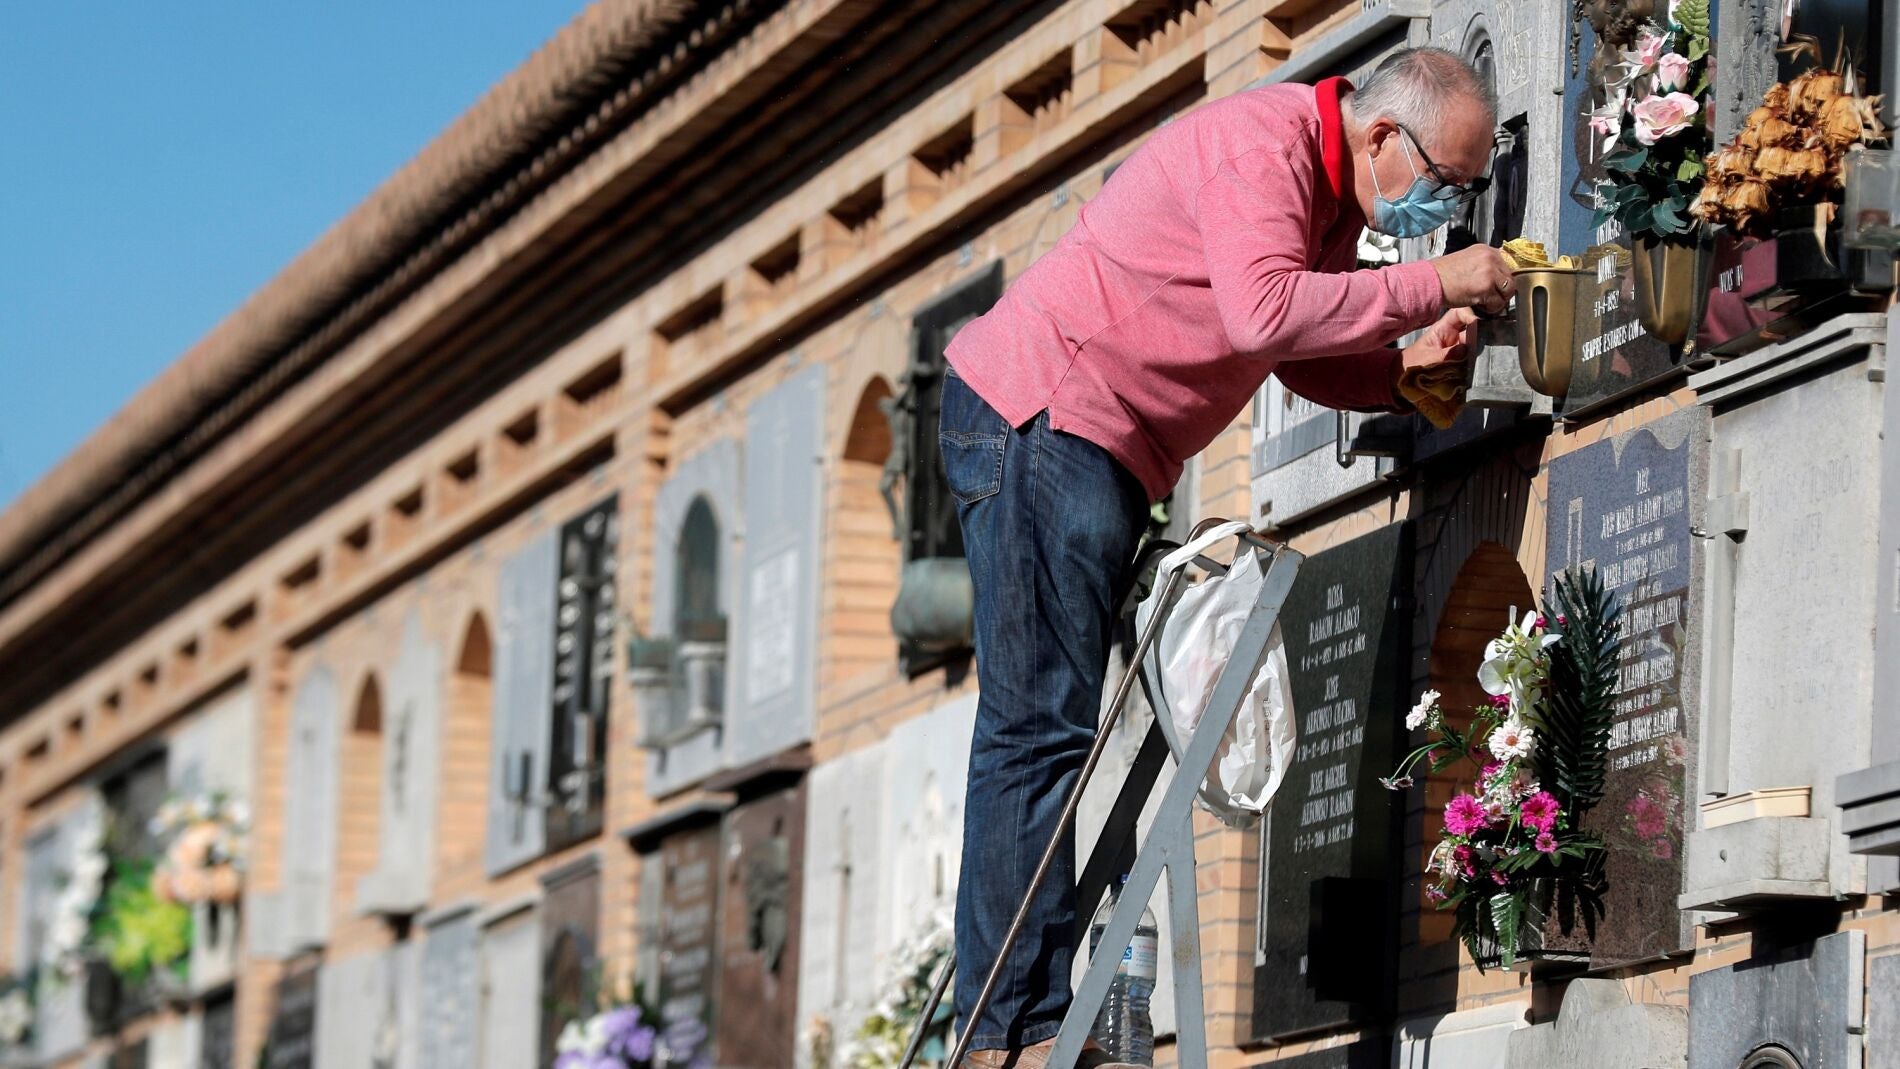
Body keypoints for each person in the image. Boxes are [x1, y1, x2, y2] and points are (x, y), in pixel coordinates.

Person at [939, 47, 1513, 1068]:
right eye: (1446, 179)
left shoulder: (1326, 195)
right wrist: (1434, 284)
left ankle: (1020, 1019)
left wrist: (1397, 372)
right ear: (1383, 135)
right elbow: (1265, 312)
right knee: (1036, 730)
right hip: (1046, 417)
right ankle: (1006, 1036)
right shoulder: (1266, 147)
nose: (1448, 205)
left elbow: (1288, 348)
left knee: (1051, 731)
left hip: (1092, 445)